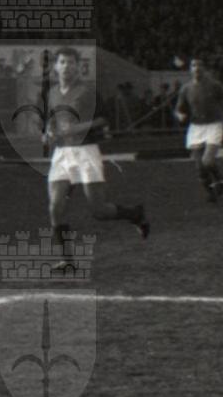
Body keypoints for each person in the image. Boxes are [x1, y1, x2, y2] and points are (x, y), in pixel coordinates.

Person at [42, 48, 149, 272]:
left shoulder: (88, 91)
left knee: (99, 210)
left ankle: (135, 214)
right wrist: (48, 132)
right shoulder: (52, 93)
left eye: (71, 62)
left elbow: (103, 119)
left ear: (78, 66)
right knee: (55, 207)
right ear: (56, 66)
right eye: (62, 62)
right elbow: (52, 120)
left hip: (86, 152)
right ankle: (67, 260)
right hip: (62, 154)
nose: (67, 66)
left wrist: (77, 128)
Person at [174, 57, 223, 202]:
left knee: (207, 161)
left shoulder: (214, 85)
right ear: (190, 69)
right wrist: (180, 115)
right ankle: (211, 193)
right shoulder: (185, 89)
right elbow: (178, 109)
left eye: (199, 65)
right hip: (196, 128)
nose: (197, 68)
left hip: (213, 125)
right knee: (199, 167)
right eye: (194, 65)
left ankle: (219, 179)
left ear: (204, 69)